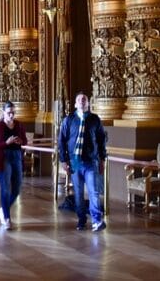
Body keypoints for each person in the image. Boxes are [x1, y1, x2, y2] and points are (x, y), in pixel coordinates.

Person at [58, 92, 108, 232]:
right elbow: (61, 140)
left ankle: (97, 220)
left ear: (88, 103)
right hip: (75, 162)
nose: (82, 101)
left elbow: (101, 140)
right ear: (75, 104)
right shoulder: (69, 120)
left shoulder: (95, 120)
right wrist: (63, 160)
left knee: (94, 192)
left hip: (90, 161)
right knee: (79, 193)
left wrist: (102, 159)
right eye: (79, 99)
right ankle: (81, 220)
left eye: (84, 100)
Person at [0, 101, 28, 228]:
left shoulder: (19, 125)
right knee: (5, 188)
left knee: (16, 189)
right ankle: (6, 218)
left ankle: (2, 210)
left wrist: (20, 141)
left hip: (16, 156)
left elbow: (25, 141)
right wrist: (6, 143)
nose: (11, 115)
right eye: (9, 113)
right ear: (3, 113)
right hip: (3, 158)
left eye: (13, 113)